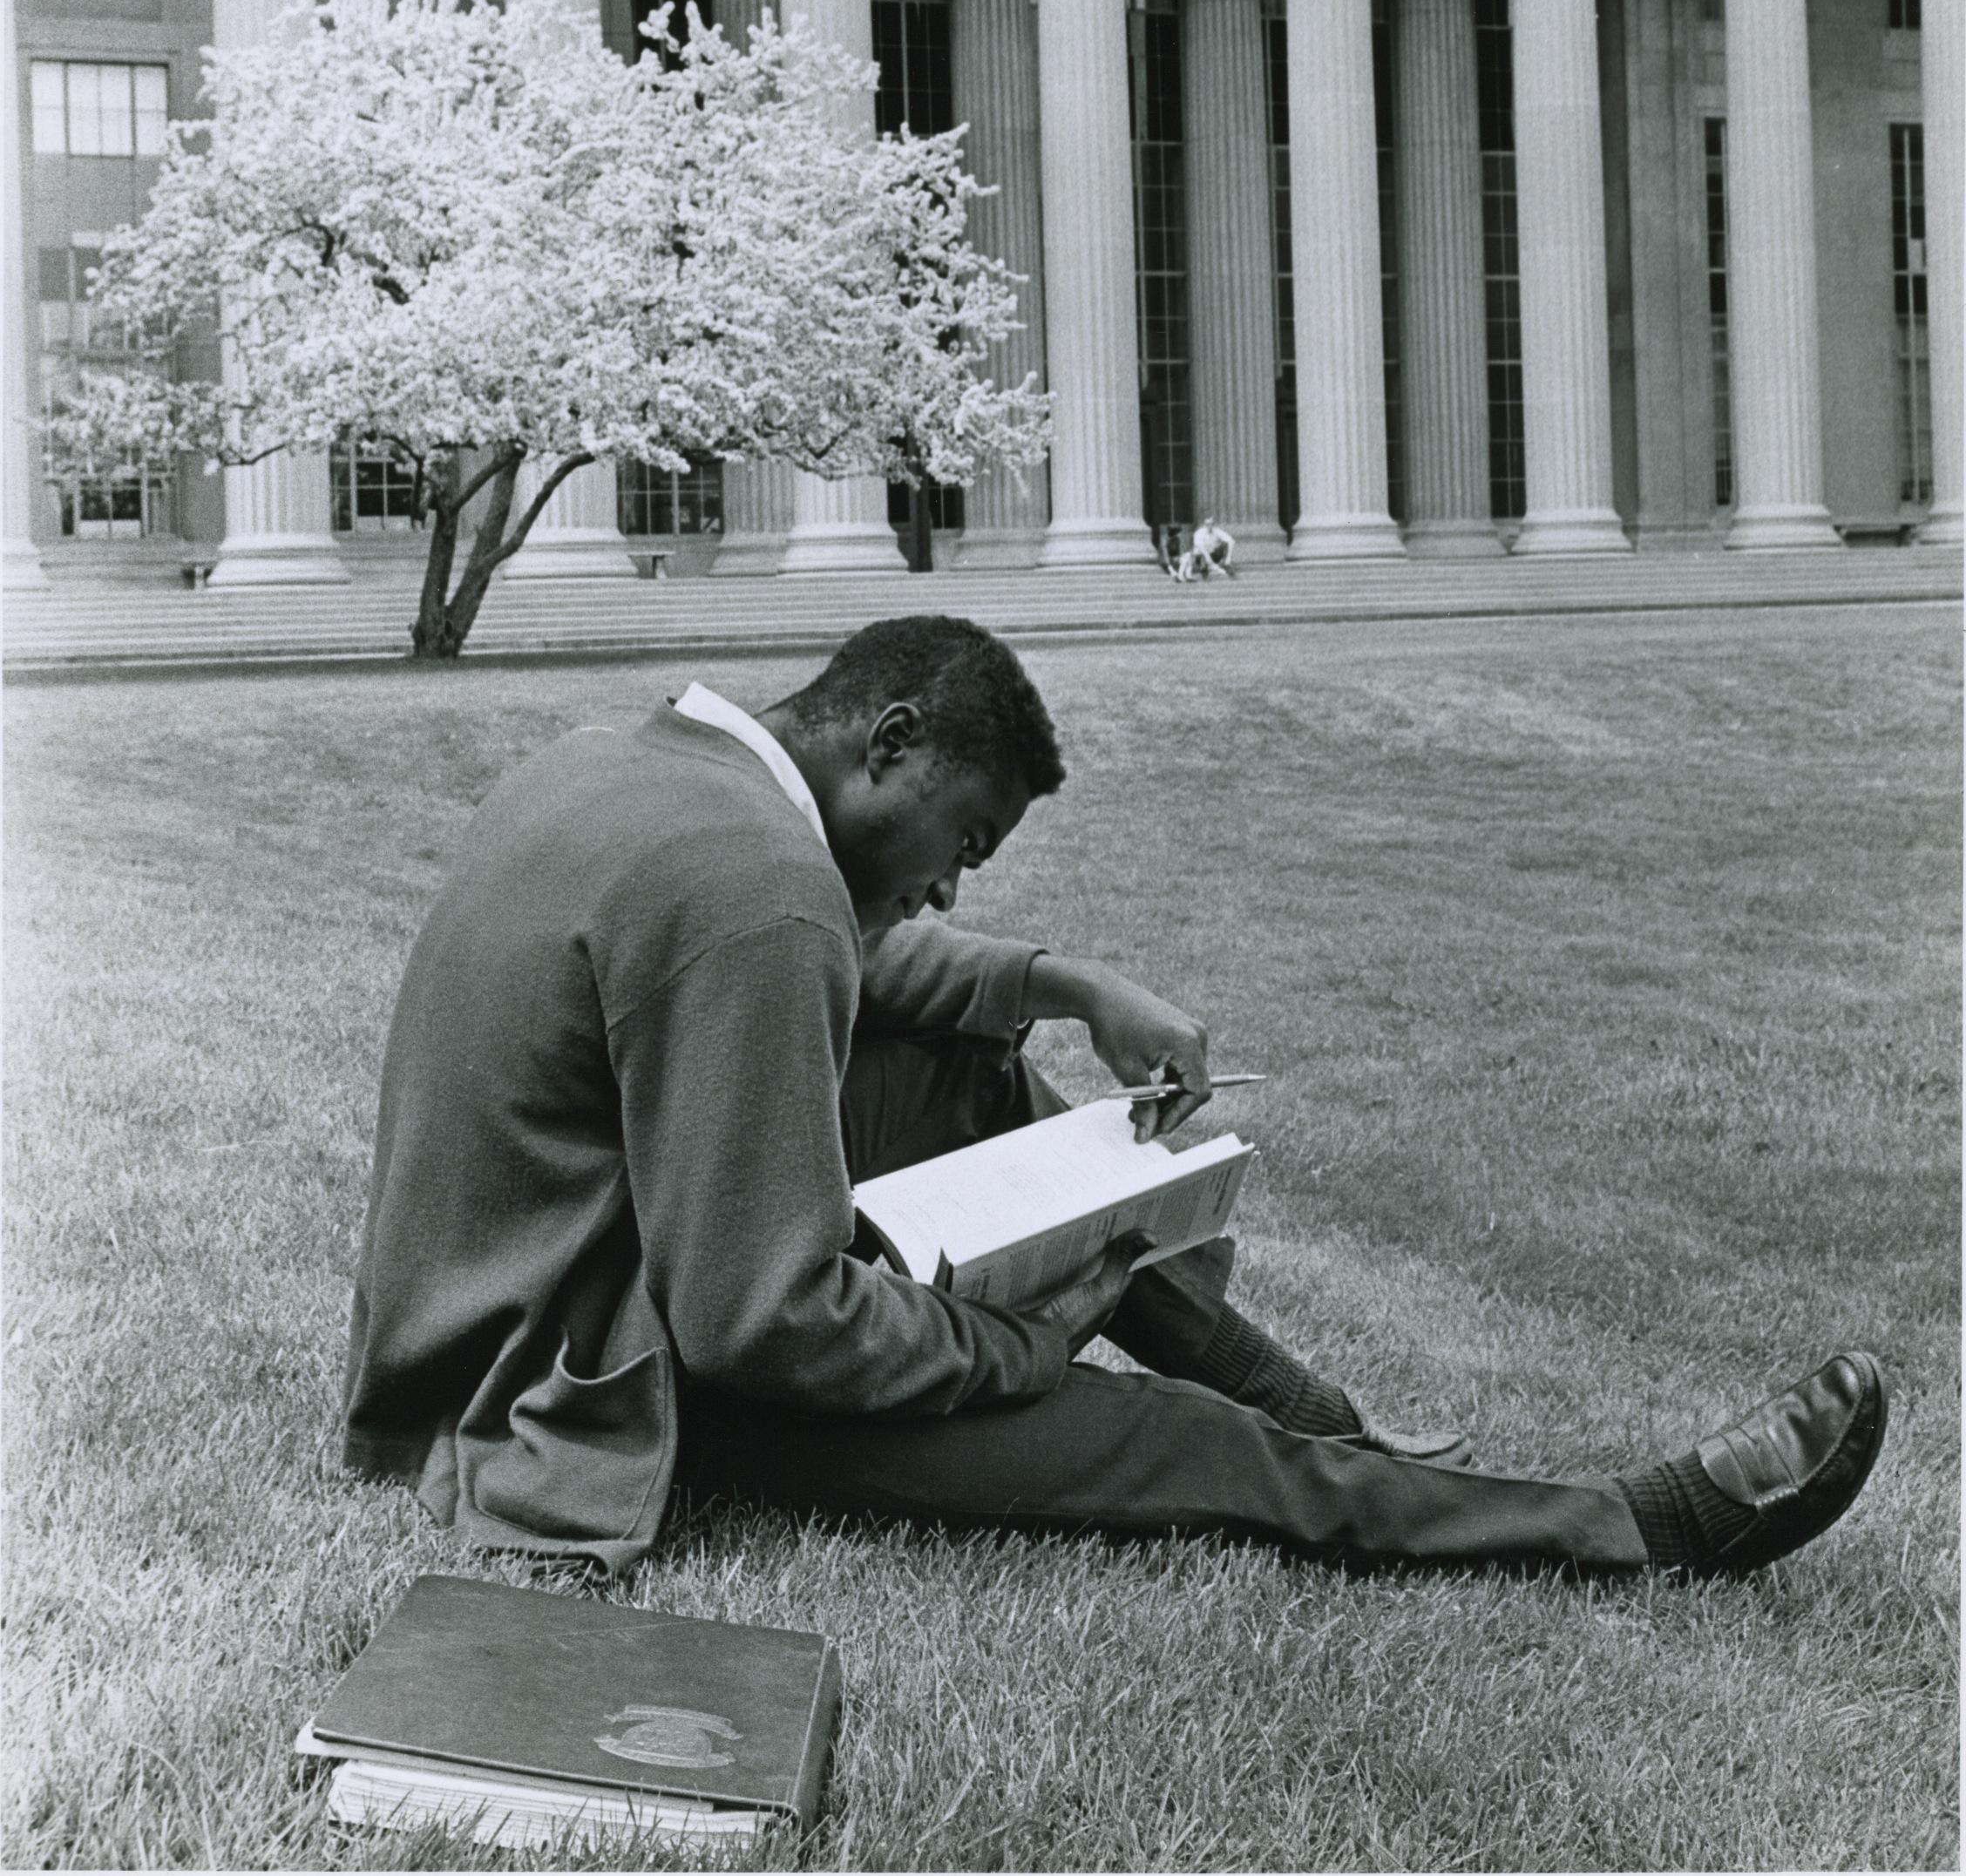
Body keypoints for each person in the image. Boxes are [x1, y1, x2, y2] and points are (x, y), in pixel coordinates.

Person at [343, 616, 1887, 1582]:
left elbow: (842, 974)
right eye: (966, 841)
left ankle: (1320, 1413)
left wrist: (1063, 983)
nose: (950, 882)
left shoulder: (647, 773)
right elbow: (768, 1321)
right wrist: (1017, 1343)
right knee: (1171, 1452)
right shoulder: (757, 889)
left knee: (967, 1066)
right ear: (889, 744)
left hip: (497, 1310)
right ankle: (1627, 1527)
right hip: (587, 1383)